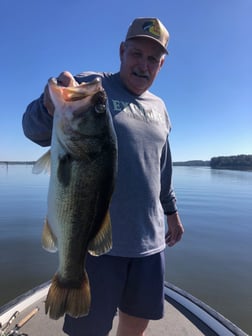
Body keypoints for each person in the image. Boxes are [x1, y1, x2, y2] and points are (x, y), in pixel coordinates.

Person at [22, 17, 184, 336]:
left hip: (150, 243)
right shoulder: (92, 87)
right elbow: (33, 129)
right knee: (89, 329)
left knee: (137, 322)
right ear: (122, 51)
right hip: (98, 242)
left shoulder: (161, 107)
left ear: (161, 65)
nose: (143, 64)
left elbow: (162, 164)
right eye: (137, 53)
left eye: (153, 59)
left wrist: (173, 212)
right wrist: (47, 105)